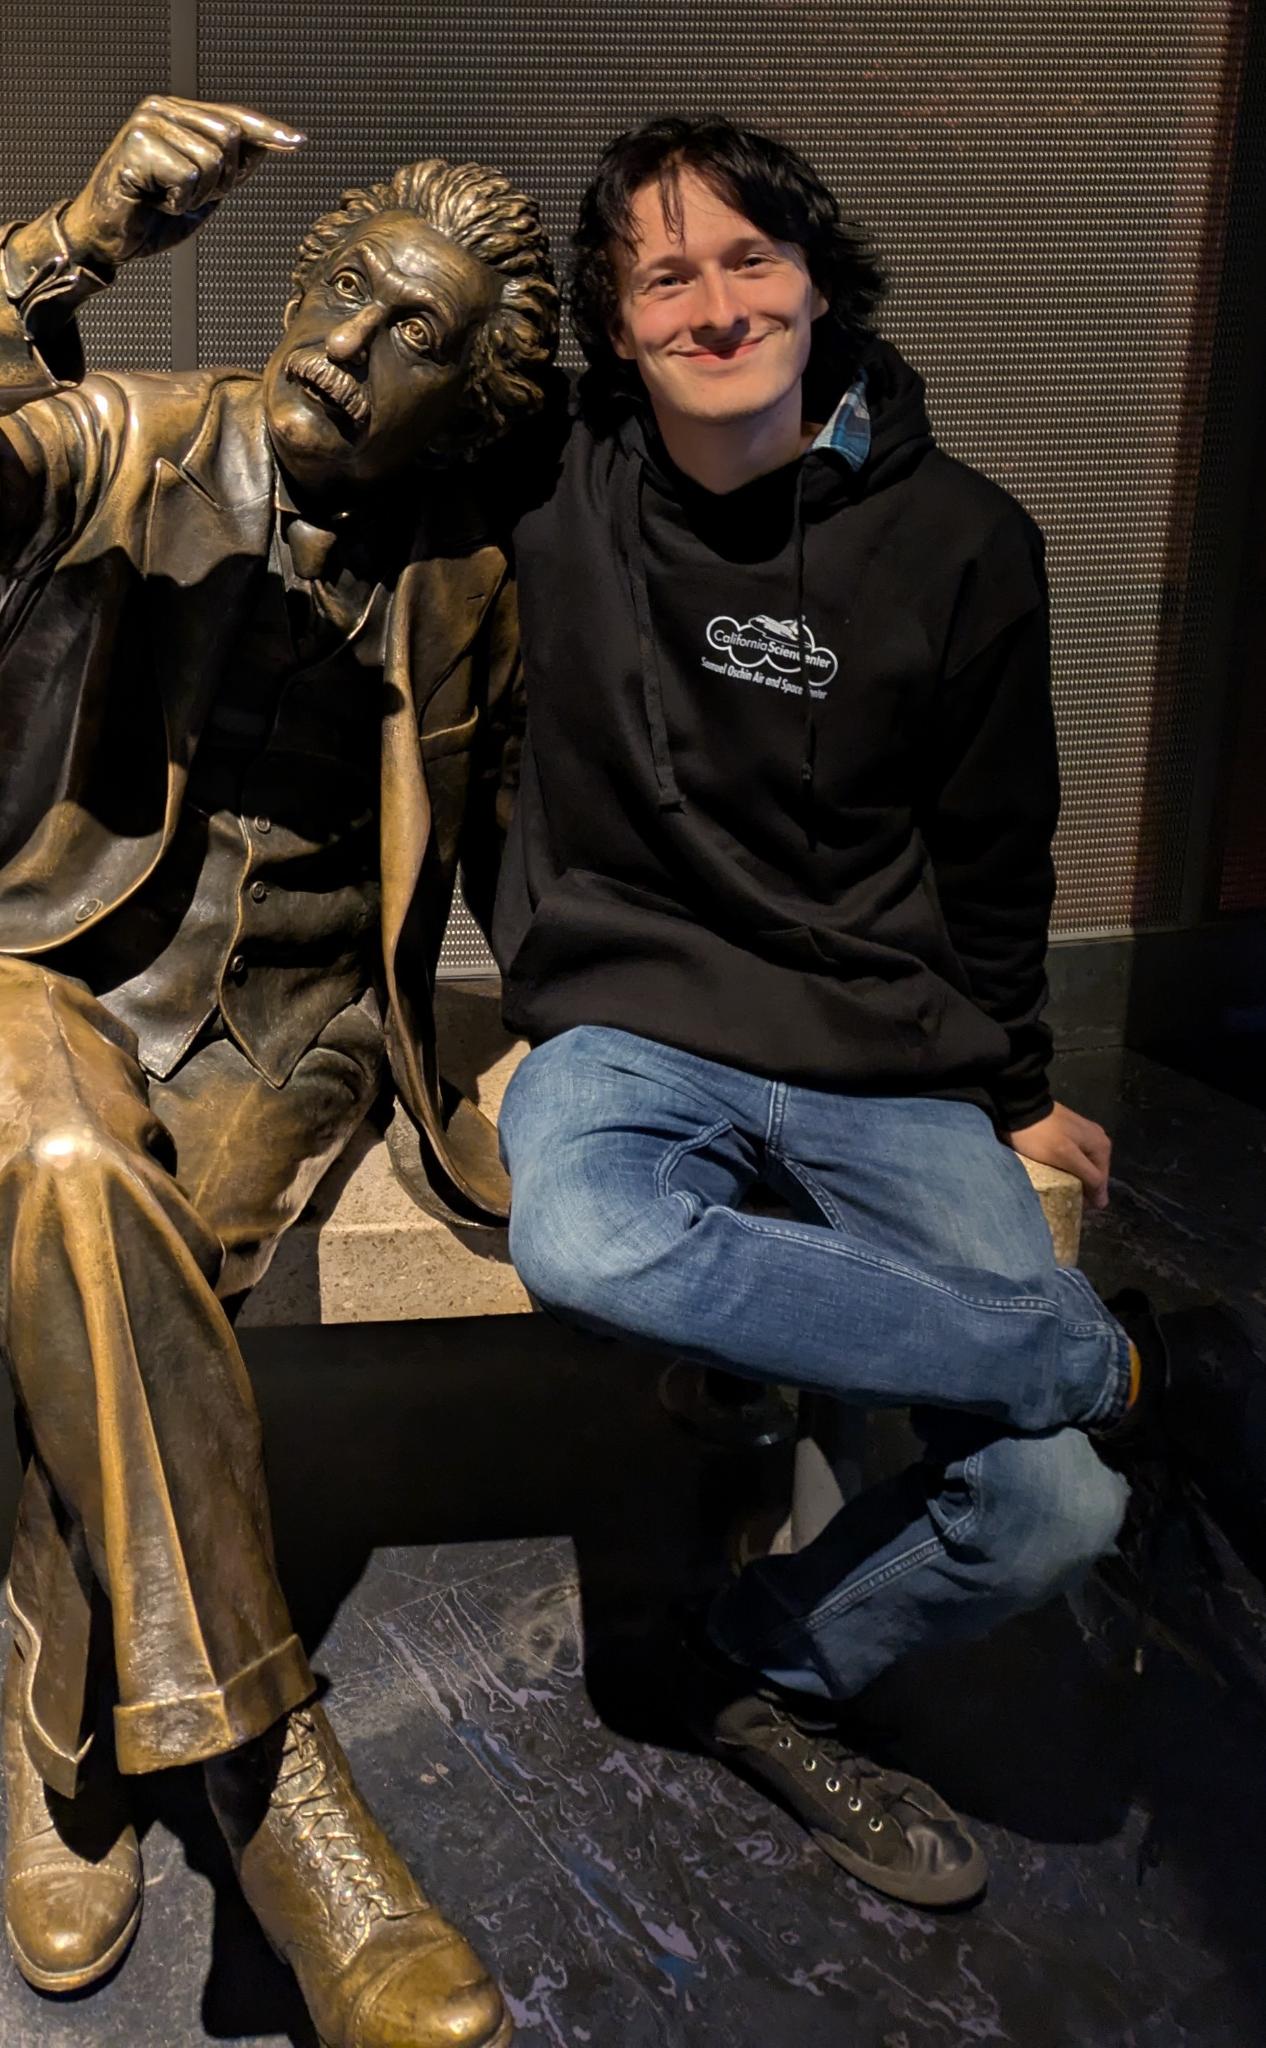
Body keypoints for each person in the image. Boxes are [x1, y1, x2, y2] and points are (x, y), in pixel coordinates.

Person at [493, 116, 1165, 1909]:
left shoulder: (961, 541)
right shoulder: (546, 480)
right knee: (586, 1237)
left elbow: (995, 841)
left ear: (814, 274)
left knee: (1057, 1514)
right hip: (626, 1019)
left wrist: (1015, 1082)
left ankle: (751, 1655)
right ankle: (1101, 1363)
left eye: (749, 259)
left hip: (884, 1052)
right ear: (614, 327)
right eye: (665, 276)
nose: (716, 306)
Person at [0, 93, 555, 2047]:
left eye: (405, 328)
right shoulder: (145, 436)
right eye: (332, 288)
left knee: (149, 1283)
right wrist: (61, 252)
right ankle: (270, 1791)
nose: (337, 337)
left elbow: (511, 855)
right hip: (47, 969)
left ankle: (51, 1704)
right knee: (71, 1169)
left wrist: (553, 1070)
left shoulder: (479, 573)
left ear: (468, 394)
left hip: (302, 1032)